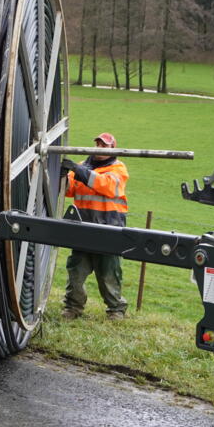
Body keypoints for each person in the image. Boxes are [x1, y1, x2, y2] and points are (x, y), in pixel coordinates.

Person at [60, 132, 129, 321]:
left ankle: (116, 309)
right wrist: (63, 175)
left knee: (109, 273)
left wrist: (77, 170)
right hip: (83, 227)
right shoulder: (82, 166)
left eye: (104, 145)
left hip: (109, 229)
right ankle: (73, 307)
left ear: (113, 149)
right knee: (76, 270)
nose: (99, 148)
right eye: (97, 144)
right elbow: (69, 190)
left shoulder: (118, 169)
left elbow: (107, 186)